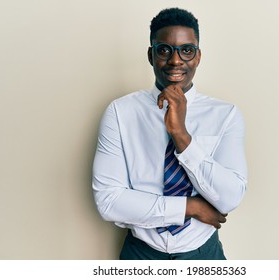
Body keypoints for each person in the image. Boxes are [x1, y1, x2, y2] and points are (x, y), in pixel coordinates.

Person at [92, 7, 247, 260]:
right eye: (164, 50)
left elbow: (229, 198)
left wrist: (181, 136)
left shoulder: (226, 115)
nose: (176, 61)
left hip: (203, 253)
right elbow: (109, 201)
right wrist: (190, 207)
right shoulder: (120, 112)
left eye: (187, 50)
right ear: (151, 56)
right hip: (140, 253)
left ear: (198, 57)